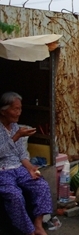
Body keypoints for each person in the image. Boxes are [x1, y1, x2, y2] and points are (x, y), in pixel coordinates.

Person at [0, 92, 52, 235]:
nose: (18, 113)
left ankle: (38, 225)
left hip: (18, 167)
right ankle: (28, 231)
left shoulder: (15, 127)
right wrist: (16, 137)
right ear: (3, 111)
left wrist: (31, 168)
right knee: (14, 195)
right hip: (2, 170)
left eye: (20, 109)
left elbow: (22, 154)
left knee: (41, 185)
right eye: (15, 109)